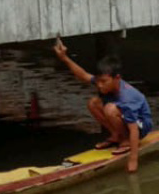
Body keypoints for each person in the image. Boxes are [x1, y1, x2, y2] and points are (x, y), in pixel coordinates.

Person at [54, 38, 153, 173]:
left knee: (110, 109)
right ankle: (116, 136)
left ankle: (126, 141)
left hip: (141, 125)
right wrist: (64, 58)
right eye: (98, 81)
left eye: (104, 81)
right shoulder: (104, 82)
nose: (99, 85)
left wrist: (133, 160)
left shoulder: (128, 97)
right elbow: (83, 75)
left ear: (117, 78)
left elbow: (134, 128)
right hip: (125, 117)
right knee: (93, 102)